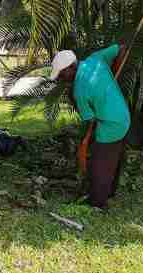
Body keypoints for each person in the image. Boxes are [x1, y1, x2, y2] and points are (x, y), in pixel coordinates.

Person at [50, 43, 130, 210]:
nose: (61, 79)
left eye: (61, 74)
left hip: (111, 124)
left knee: (99, 164)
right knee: (113, 157)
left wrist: (86, 143)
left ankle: (97, 203)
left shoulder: (79, 90)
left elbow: (91, 121)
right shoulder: (95, 59)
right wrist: (114, 72)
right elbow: (121, 48)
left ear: (71, 67)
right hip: (123, 115)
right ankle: (110, 191)